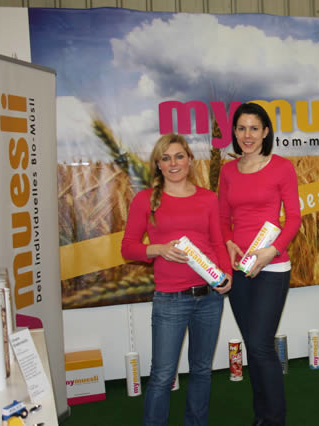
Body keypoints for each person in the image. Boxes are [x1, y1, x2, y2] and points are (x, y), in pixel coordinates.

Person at [121, 133, 232, 426]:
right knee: (162, 375)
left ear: (190, 160)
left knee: (202, 370)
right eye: (166, 158)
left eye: (179, 156)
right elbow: (128, 247)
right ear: (158, 164)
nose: (173, 163)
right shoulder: (145, 200)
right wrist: (158, 249)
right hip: (170, 300)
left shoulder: (208, 198)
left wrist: (226, 274)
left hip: (210, 298)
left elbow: (218, 243)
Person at [218, 102, 301, 426]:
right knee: (254, 347)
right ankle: (261, 416)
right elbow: (223, 218)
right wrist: (229, 243)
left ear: (266, 132)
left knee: (261, 345)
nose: (247, 135)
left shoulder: (282, 167)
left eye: (254, 128)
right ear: (234, 132)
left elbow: (293, 219)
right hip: (239, 269)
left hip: (272, 267)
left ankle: (274, 419)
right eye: (241, 128)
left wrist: (272, 252)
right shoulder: (227, 171)